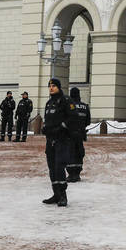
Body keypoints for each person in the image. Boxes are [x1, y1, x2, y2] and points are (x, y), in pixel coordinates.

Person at [41, 78, 71, 207]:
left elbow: (72, 118)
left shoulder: (65, 101)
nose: (51, 88)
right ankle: (56, 194)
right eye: (49, 86)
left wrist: (61, 128)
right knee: (51, 167)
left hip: (61, 139)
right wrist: (45, 128)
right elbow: (48, 120)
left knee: (59, 167)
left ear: (59, 87)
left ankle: (63, 195)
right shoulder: (49, 103)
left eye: (53, 86)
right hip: (50, 140)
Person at [66, 86, 90, 181]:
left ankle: (71, 174)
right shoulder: (85, 106)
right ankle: (77, 173)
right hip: (80, 133)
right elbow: (88, 121)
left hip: (69, 133)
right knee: (79, 152)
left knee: (70, 152)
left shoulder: (68, 106)